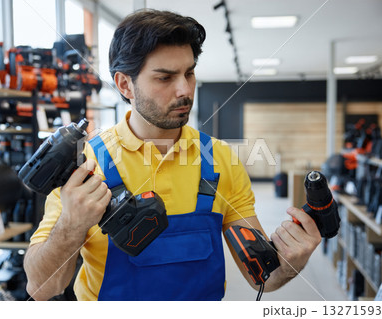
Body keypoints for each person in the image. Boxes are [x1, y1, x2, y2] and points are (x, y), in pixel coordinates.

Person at [24, 9, 321, 301]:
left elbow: (262, 277)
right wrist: (71, 224)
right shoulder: (86, 163)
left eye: (189, 73)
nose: (185, 90)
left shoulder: (220, 159)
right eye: (165, 78)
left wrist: (291, 262)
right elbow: (41, 288)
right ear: (125, 84)